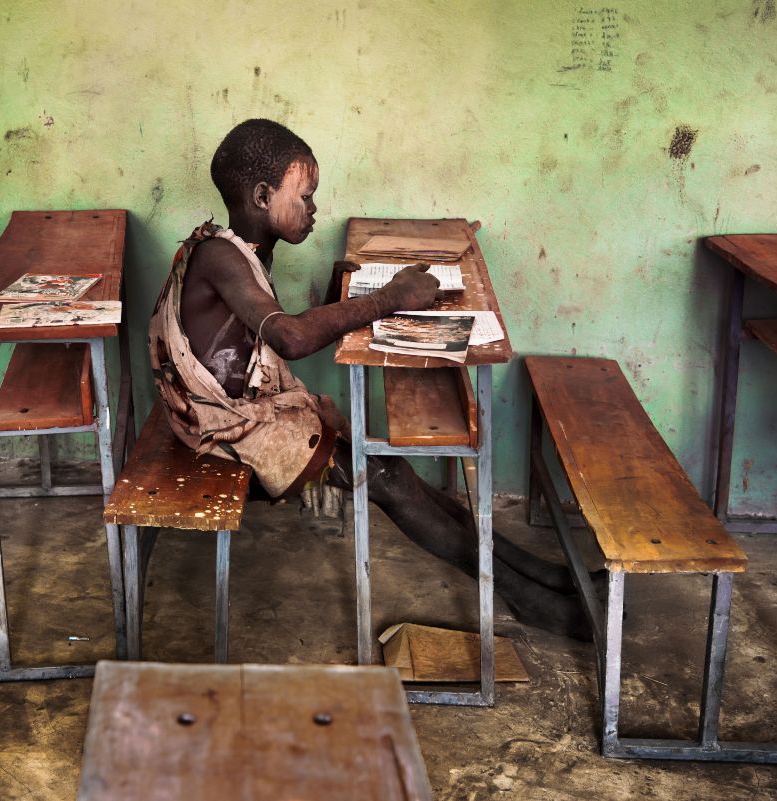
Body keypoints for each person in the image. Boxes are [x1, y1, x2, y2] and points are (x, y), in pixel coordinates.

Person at [148, 118, 593, 638]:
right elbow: (289, 338)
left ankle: (534, 572)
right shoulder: (220, 256)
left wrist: (346, 289)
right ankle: (528, 597)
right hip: (220, 430)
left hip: (240, 409)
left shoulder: (240, 248)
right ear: (263, 196)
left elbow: (251, 335)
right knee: (384, 477)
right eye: (306, 197)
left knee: (390, 467)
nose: (314, 210)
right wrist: (388, 299)